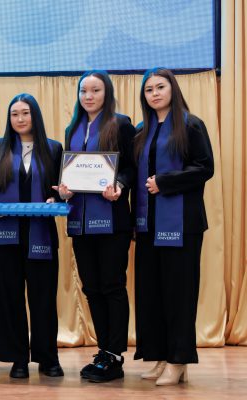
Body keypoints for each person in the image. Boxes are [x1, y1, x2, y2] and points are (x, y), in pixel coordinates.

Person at [133, 67, 213, 386]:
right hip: (148, 225)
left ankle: (179, 360)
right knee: (152, 294)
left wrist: (165, 182)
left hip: (183, 225)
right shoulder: (142, 130)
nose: (154, 93)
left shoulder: (191, 125)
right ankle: (162, 356)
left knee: (179, 294)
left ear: (172, 89)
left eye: (160, 87)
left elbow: (204, 168)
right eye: (149, 89)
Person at [54, 70, 135, 383]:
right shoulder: (72, 128)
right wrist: (64, 189)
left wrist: (120, 185)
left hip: (113, 221)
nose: (88, 96)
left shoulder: (121, 123)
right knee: (91, 288)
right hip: (81, 222)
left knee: (112, 286)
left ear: (107, 93)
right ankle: (104, 351)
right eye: (83, 91)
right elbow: (70, 172)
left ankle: (115, 355)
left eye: (95, 90)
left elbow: (131, 168)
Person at [0, 93, 63, 379]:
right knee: (9, 298)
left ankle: (48, 358)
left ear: (34, 115)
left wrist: (55, 198)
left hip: (41, 233)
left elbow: (61, 187)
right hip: (5, 236)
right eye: (14, 114)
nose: (20, 118)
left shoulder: (53, 148)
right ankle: (18, 359)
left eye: (25, 113)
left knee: (43, 298)